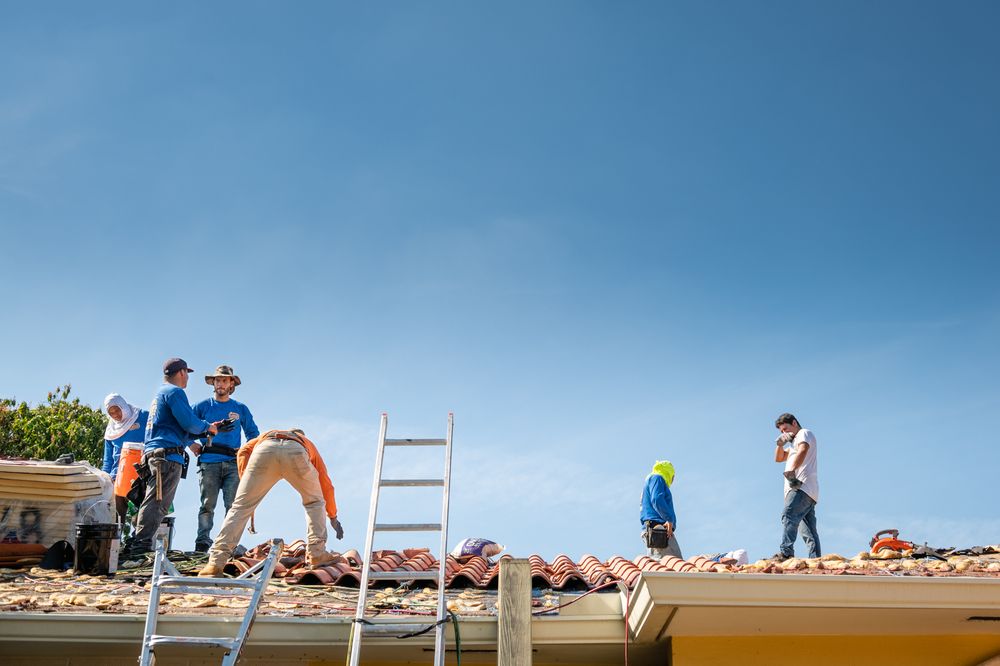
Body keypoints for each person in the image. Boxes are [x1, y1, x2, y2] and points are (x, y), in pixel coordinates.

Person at [198, 428, 344, 576]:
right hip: (296, 452)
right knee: (314, 502)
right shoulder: (306, 443)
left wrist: (245, 489)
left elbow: (243, 451)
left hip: (264, 450)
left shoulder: (266, 435)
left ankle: (215, 563)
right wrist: (333, 516)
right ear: (301, 435)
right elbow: (325, 484)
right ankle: (317, 553)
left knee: (240, 508)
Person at [125, 358, 225, 557]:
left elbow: (180, 430)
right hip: (167, 458)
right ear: (181, 373)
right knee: (157, 502)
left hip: (156, 455)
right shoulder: (175, 392)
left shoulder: (160, 394)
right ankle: (140, 548)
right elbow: (189, 422)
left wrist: (208, 430)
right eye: (187, 373)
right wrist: (207, 427)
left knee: (152, 500)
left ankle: (137, 542)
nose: (187, 377)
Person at [190, 365, 260, 552]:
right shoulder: (202, 406)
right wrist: (191, 444)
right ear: (213, 383)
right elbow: (185, 425)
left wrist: (248, 454)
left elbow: (253, 434)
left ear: (231, 384)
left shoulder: (240, 409)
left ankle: (228, 544)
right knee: (207, 505)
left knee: (233, 507)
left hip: (233, 462)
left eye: (224, 380)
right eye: (217, 380)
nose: (220, 383)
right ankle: (202, 543)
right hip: (209, 460)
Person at [772, 412, 821, 560]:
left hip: (801, 486)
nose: (784, 433)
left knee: (788, 515)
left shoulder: (803, 433)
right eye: (781, 431)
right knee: (809, 532)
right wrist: (780, 445)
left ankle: (786, 553)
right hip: (809, 492)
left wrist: (792, 470)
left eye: (785, 429)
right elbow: (778, 458)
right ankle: (816, 559)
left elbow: (803, 449)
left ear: (794, 423)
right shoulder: (793, 444)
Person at [101, 394, 149, 524]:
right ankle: (116, 543)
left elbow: (157, 434)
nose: (115, 414)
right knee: (116, 516)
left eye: (117, 409)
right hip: (118, 478)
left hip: (141, 475)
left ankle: (138, 542)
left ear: (123, 406)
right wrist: (105, 478)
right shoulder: (111, 430)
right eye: (111, 413)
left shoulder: (143, 416)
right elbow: (108, 460)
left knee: (140, 515)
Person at [639, 460, 683, 559]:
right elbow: (657, 499)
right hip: (659, 530)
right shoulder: (657, 478)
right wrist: (668, 519)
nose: (673, 479)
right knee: (676, 565)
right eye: (673, 476)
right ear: (668, 472)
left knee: (659, 564)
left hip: (654, 530)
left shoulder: (651, 480)